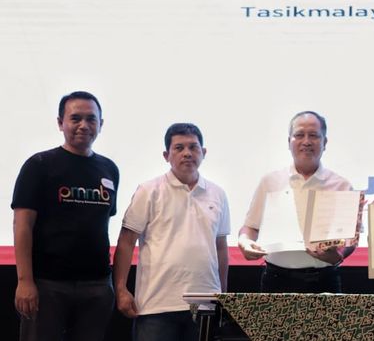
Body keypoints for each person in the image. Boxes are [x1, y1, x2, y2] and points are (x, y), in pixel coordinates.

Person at [12, 91, 119, 341]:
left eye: (91, 119)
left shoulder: (109, 169)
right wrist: (25, 281)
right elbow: (22, 225)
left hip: (97, 285)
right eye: (75, 118)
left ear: (101, 125)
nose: (84, 125)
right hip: (47, 284)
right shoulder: (39, 165)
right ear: (61, 123)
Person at [113, 123, 230, 341]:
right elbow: (126, 241)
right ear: (167, 155)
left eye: (193, 147)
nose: (187, 153)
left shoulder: (218, 194)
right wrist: (120, 289)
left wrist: (223, 293)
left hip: (205, 304)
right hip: (156, 305)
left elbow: (221, 247)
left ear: (203, 153)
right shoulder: (149, 190)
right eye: (179, 148)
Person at [237, 111, 356, 293]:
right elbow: (250, 227)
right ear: (289, 142)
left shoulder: (341, 185)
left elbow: (350, 240)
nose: (306, 141)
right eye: (299, 135)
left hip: (324, 280)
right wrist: (245, 241)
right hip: (276, 280)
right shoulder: (270, 181)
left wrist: (338, 254)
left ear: (325, 143)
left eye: (314, 136)